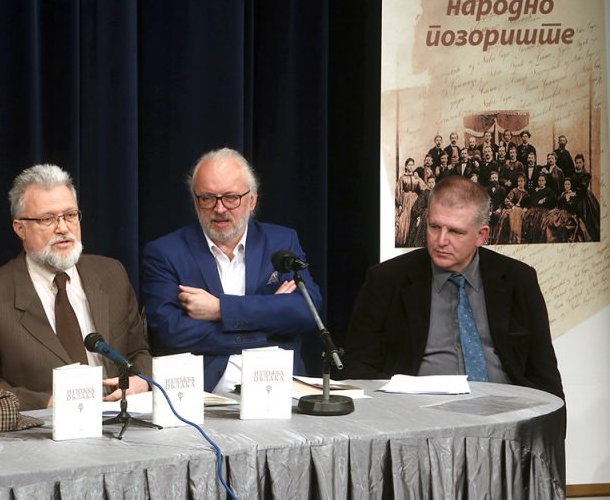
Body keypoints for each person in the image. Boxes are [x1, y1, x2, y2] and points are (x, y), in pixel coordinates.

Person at [0, 164, 152, 410]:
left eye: (70, 215)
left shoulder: (112, 275)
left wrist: (139, 380)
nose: (63, 228)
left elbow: (139, 352)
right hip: (41, 428)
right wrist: (46, 403)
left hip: (119, 419)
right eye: (47, 219)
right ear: (20, 228)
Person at [342, 176, 564, 398]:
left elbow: (547, 380)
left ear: (481, 235)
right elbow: (358, 368)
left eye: (455, 232)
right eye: (434, 226)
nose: (441, 240)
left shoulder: (518, 279)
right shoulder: (387, 279)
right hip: (418, 411)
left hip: (507, 409)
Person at [142, 148, 322, 394]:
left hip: (281, 391)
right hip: (203, 396)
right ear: (195, 201)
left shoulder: (281, 242)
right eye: (208, 198)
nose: (220, 208)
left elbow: (307, 311)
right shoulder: (165, 252)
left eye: (231, 197)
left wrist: (220, 309)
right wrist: (267, 326)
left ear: (252, 200)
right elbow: (172, 332)